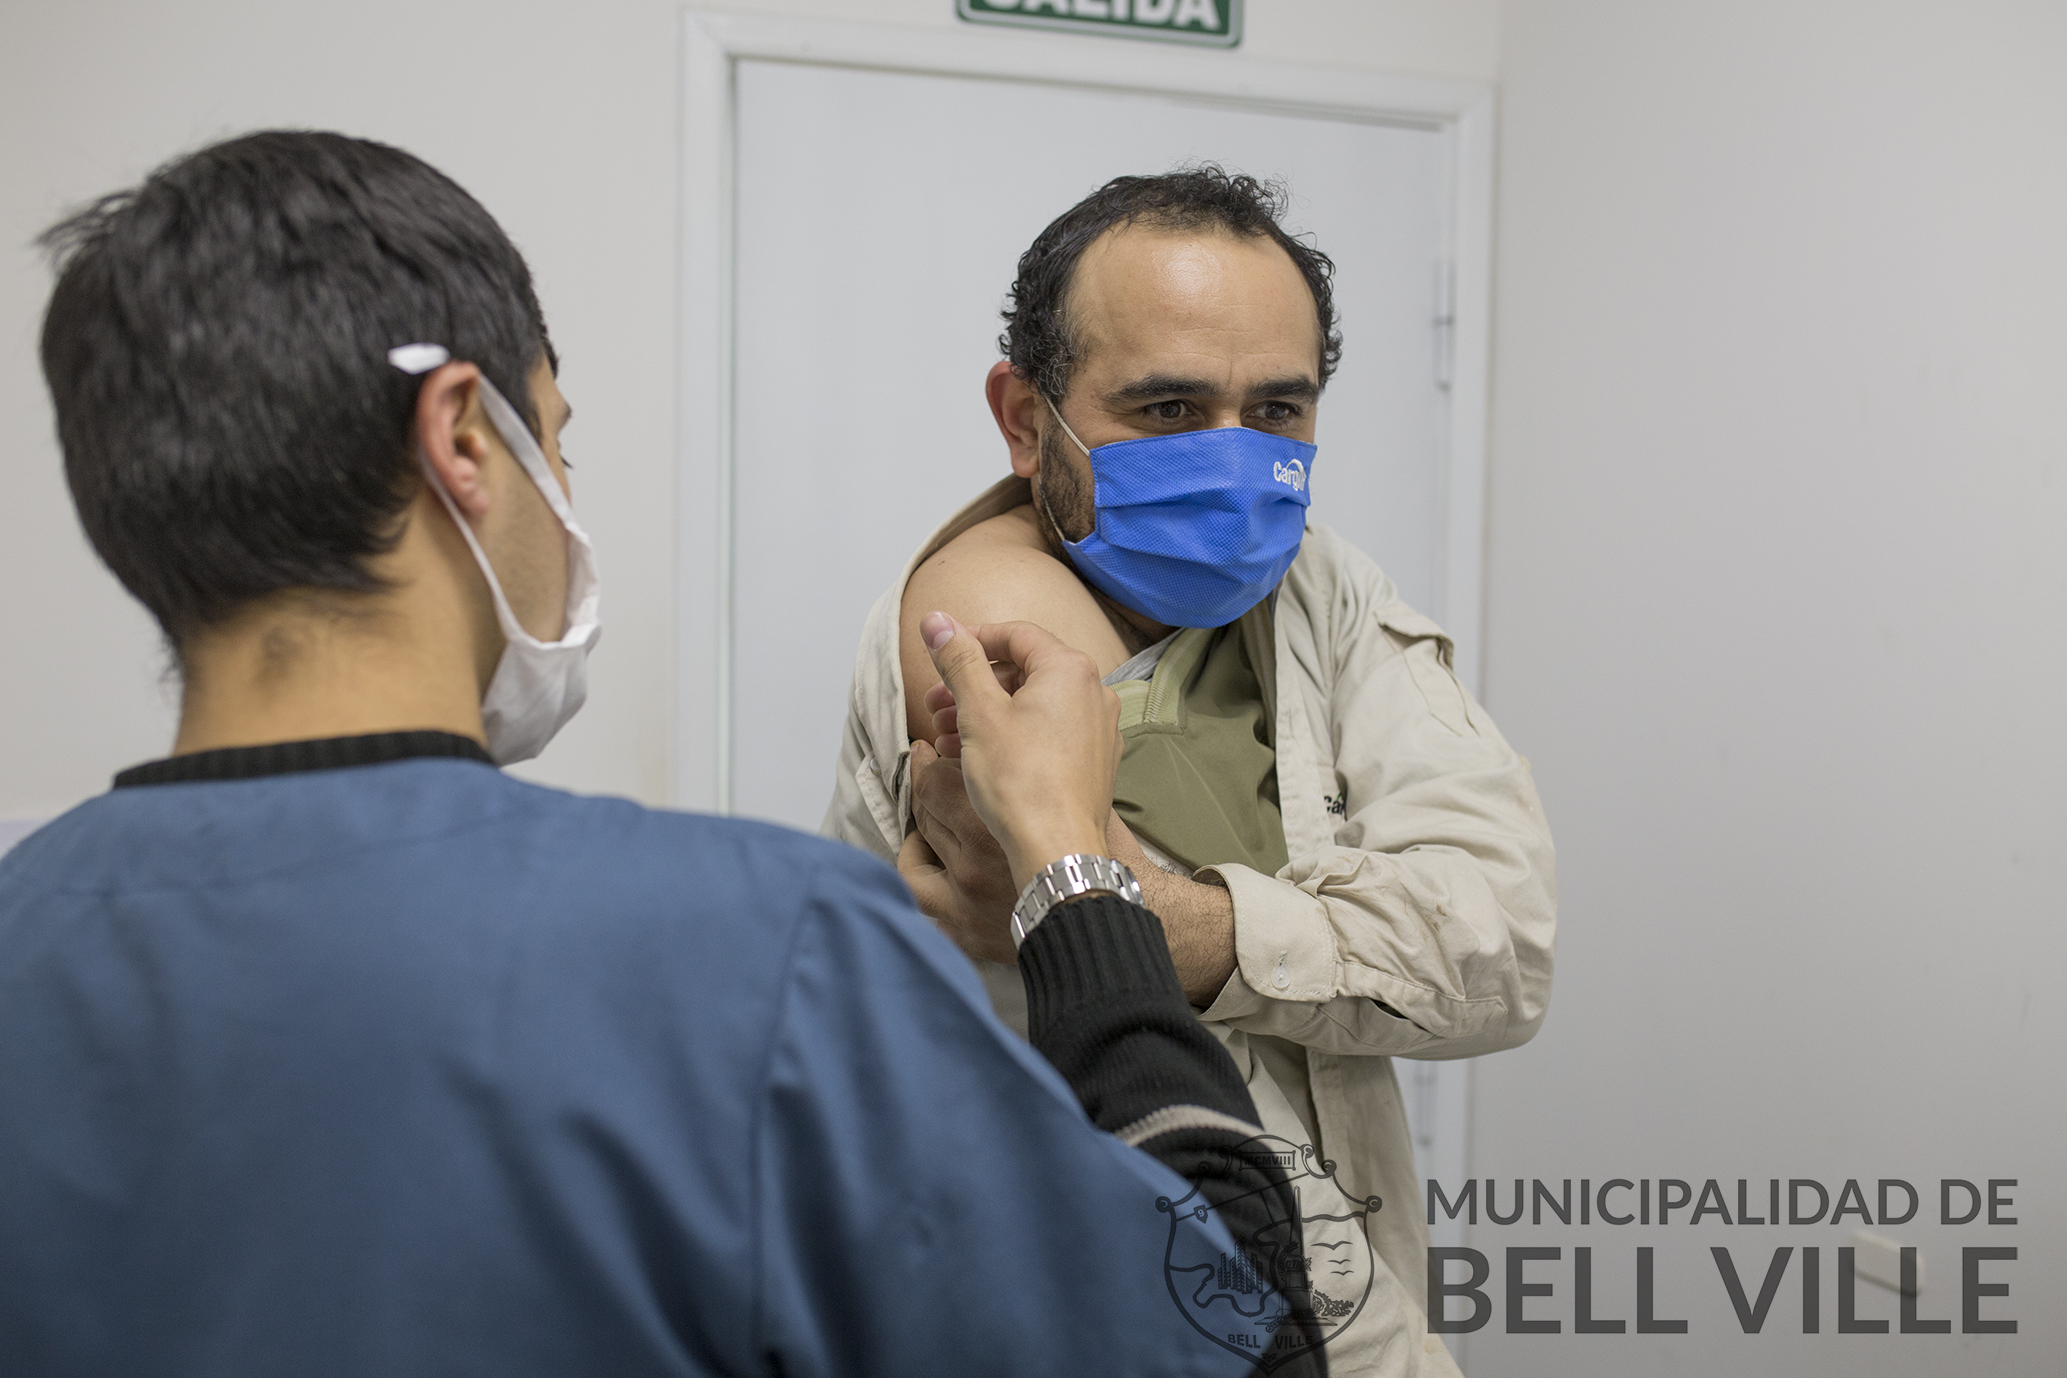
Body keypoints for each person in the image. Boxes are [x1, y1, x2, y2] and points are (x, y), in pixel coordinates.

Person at [0, 132, 1329, 1376]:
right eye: (555, 438)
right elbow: (1232, 1332)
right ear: (462, 439)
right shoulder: (755, 946)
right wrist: (1075, 873)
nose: (565, 492)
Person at [824, 167, 1559, 1376]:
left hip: (1348, 1317)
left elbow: (1505, 946)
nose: (1232, 462)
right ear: (1026, 420)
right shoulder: (981, 629)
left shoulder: (1324, 590)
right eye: (1168, 408)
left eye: (1276, 409)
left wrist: (1163, 922)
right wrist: (1154, 915)